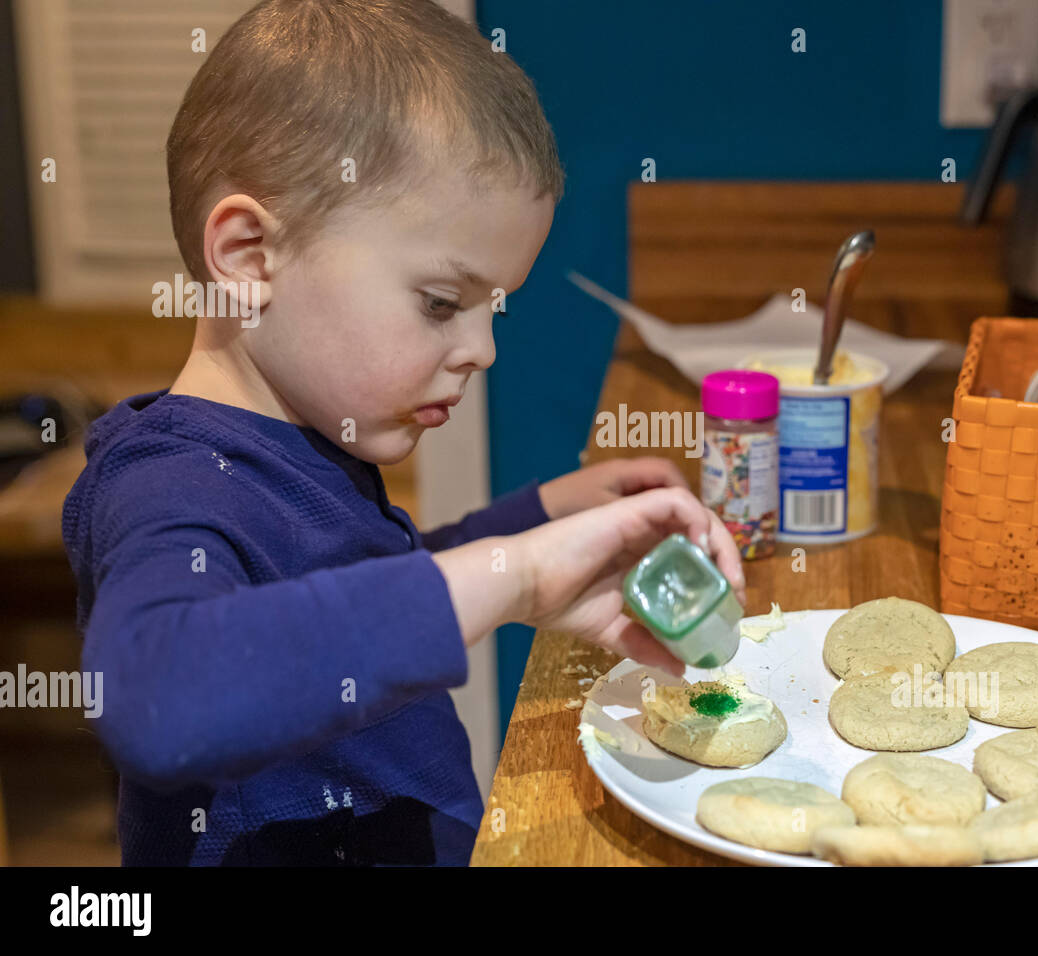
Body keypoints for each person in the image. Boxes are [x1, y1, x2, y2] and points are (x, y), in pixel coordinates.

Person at [61, 0, 744, 866]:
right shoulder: (167, 486)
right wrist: (516, 575)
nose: (483, 351)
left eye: (492, 311)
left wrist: (535, 521)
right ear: (248, 257)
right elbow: (156, 699)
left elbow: (355, 583)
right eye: (439, 304)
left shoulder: (304, 443)